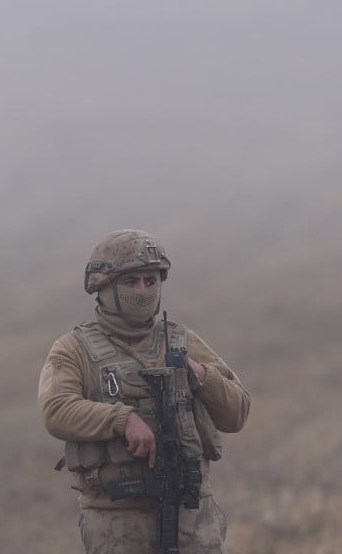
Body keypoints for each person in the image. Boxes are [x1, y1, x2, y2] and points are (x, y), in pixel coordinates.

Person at [39, 229, 250, 554]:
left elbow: (237, 413)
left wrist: (200, 374)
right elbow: (57, 410)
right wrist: (122, 419)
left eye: (150, 281)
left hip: (192, 512)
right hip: (115, 518)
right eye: (131, 281)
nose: (142, 290)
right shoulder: (73, 350)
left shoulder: (182, 341)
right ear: (104, 286)